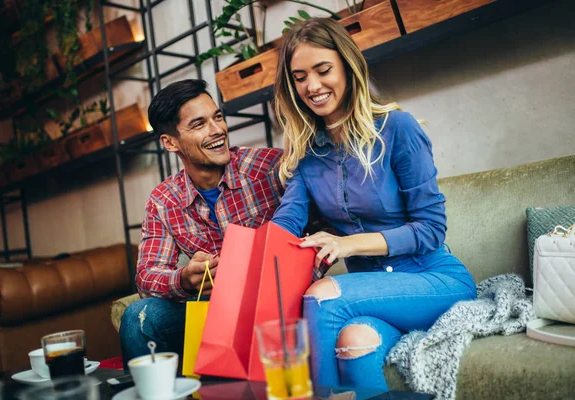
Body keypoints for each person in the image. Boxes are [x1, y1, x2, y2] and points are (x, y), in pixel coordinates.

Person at [270, 18, 477, 393]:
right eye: (300, 77)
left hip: (434, 279)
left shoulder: (398, 128)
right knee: (355, 341)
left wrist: (347, 244)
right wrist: (249, 259)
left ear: (347, 67)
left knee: (322, 297)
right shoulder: (306, 154)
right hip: (372, 295)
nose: (312, 86)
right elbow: (287, 219)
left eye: (323, 70)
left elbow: (431, 228)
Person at [119, 79, 285, 368]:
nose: (218, 130)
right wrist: (184, 279)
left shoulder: (270, 168)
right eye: (199, 124)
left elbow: (324, 230)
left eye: (217, 117)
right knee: (138, 317)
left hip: (277, 303)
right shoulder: (163, 200)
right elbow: (146, 276)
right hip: (214, 311)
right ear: (170, 142)